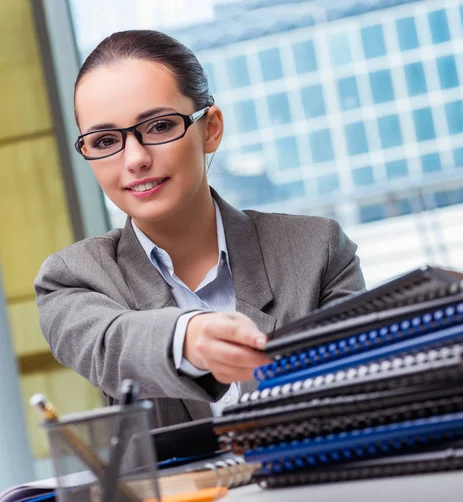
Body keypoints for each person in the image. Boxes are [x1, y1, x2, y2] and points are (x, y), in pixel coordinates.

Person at [33, 30, 365, 429]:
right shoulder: (73, 278)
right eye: (105, 140)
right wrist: (186, 338)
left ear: (210, 129)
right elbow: (110, 343)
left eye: (158, 126)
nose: (135, 159)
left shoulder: (318, 250)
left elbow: (360, 393)